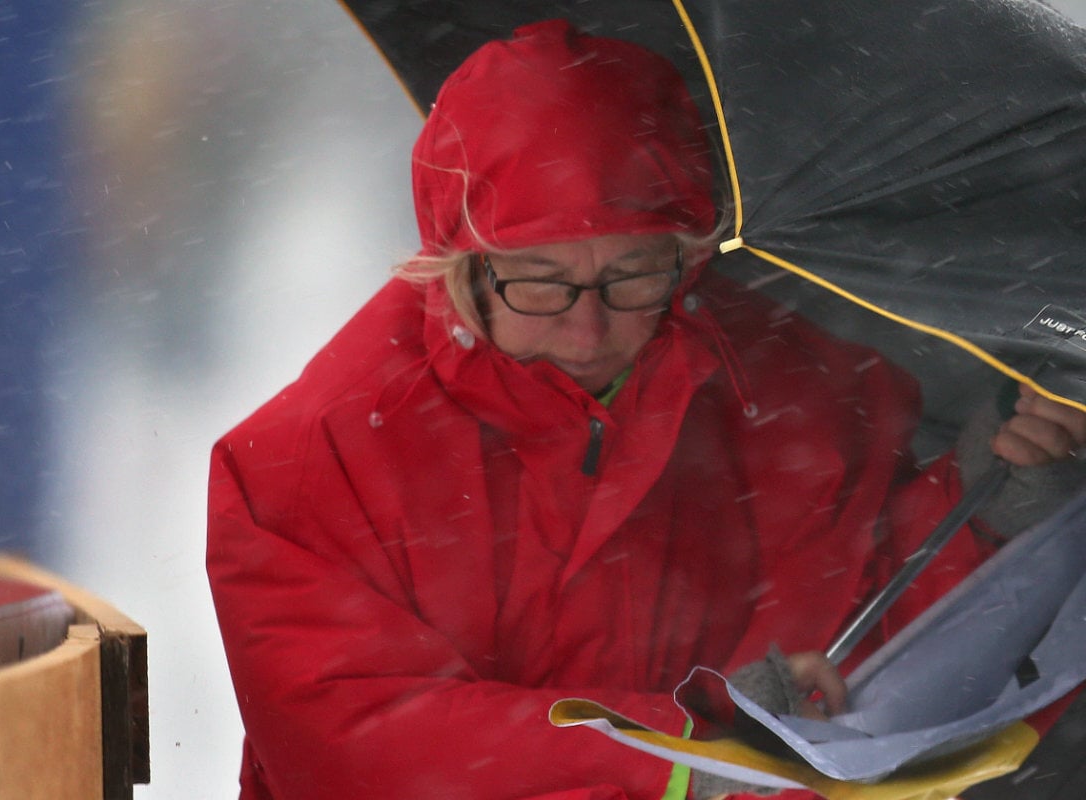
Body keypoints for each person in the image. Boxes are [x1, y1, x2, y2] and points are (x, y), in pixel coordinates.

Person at [207, 20, 1086, 800]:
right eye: (540, 281)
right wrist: (672, 751)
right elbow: (357, 748)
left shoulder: (798, 391)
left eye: (630, 274)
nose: (589, 329)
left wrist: (982, 518)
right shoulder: (307, 457)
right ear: (456, 268)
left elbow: (870, 674)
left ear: (689, 253)